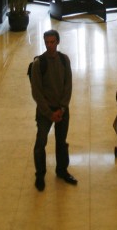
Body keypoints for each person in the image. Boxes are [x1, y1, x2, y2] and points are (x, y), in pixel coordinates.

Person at [30, 29, 77, 191]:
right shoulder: (38, 64)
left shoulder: (64, 60)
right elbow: (37, 92)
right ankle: (40, 175)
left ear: (58, 42)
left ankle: (62, 170)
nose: (49, 45)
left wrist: (62, 108)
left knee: (61, 142)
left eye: (52, 42)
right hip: (45, 112)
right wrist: (49, 113)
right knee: (40, 143)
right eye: (47, 42)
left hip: (62, 110)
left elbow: (68, 86)